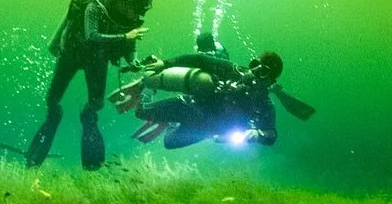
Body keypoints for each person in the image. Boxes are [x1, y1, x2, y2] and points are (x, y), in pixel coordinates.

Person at [25, 0, 153, 170]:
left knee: (95, 105)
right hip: (71, 53)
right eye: (135, 8)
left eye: (140, 11)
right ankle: (43, 139)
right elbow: (91, 35)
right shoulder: (96, 5)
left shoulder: (132, 17)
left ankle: (92, 162)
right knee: (53, 100)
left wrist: (133, 61)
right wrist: (125, 36)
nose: (136, 14)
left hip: (98, 60)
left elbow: (130, 45)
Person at [116, 50, 287, 149]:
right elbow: (199, 59)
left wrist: (257, 134)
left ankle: (169, 122)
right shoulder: (233, 71)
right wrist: (165, 64)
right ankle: (148, 88)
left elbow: (271, 135)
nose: (255, 72)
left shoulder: (264, 104)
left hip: (206, 128)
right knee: (141, 112)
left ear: (271, 81)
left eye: (263, 72)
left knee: (169, 143)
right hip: (189, 106)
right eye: (254, 65)